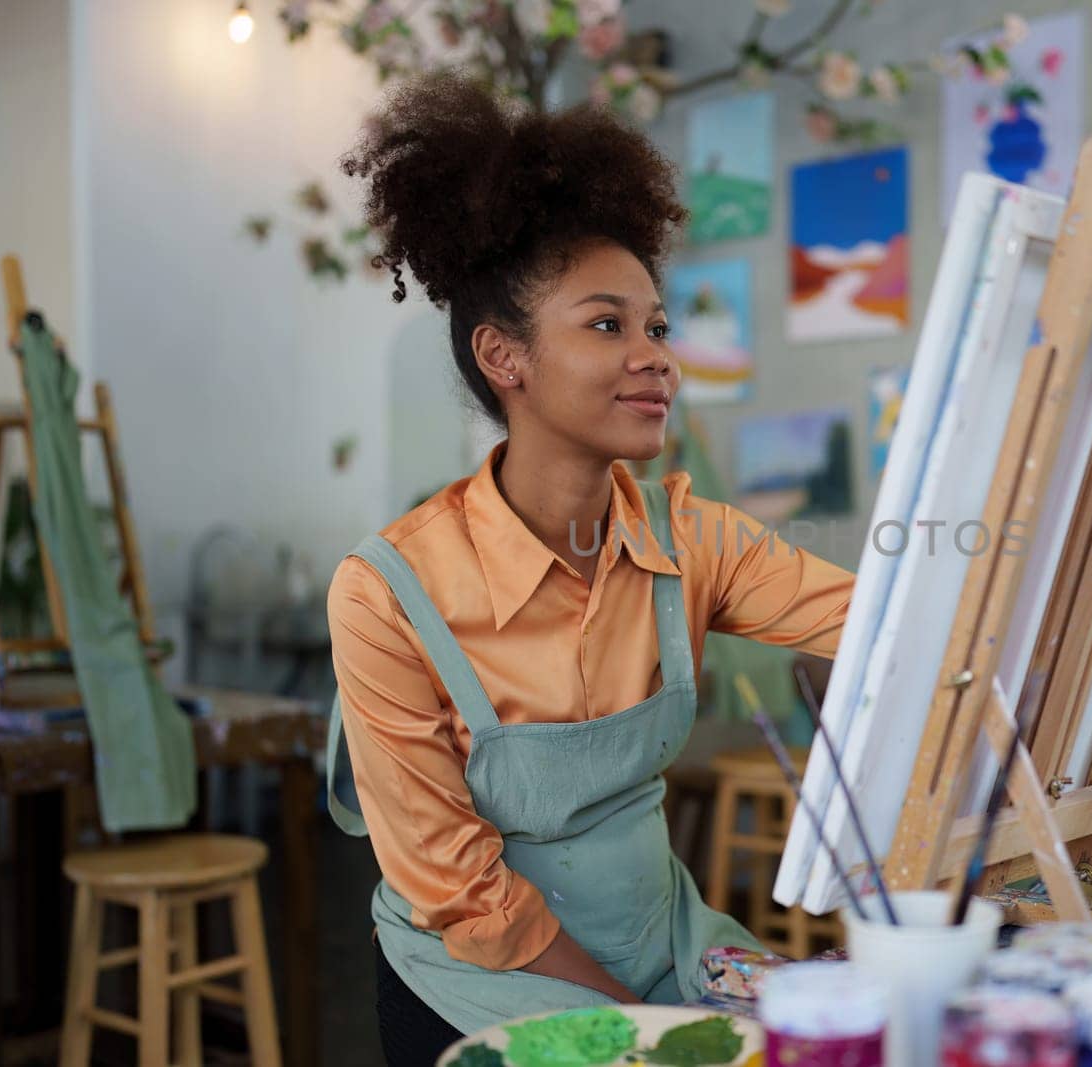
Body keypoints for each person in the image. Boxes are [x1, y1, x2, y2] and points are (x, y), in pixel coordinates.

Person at [326, 72, 853, 1066]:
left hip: (664, 946)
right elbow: (458, 893)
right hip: (478, 974)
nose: (655, 354)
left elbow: (887, 628)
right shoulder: (387, 593)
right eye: (608, 324)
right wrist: (650, 1032)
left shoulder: (691, 539)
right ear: (505, 356)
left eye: (656, 324)